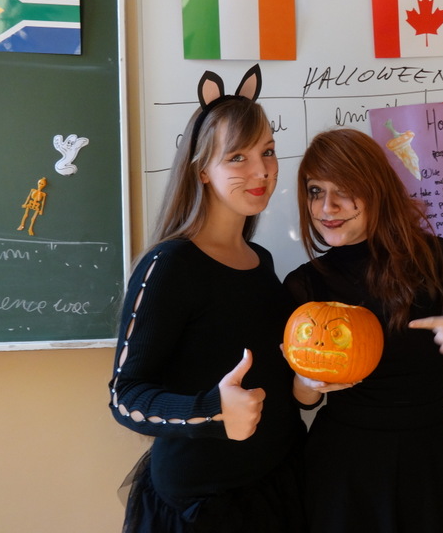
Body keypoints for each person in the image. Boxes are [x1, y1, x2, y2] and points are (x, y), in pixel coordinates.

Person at [284, 128, 443, 533]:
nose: (327, 207)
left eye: (344, 191)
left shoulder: (434, 260)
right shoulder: (305, 284)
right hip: (342, 466)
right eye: (315, 191)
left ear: (376, 190)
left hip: (426, 459)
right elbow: (302, 402)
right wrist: (307, 383)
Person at [108, 65, 306, 533]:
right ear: (201, 170)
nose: (262, 171)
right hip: (201, 508)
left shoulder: (261, 261)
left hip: (277, 488)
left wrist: (309, 384)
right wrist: (212, 411)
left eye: (268, 151)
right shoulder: (170, 265)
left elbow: (276, 382)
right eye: (237, 157)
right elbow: (125, 397)